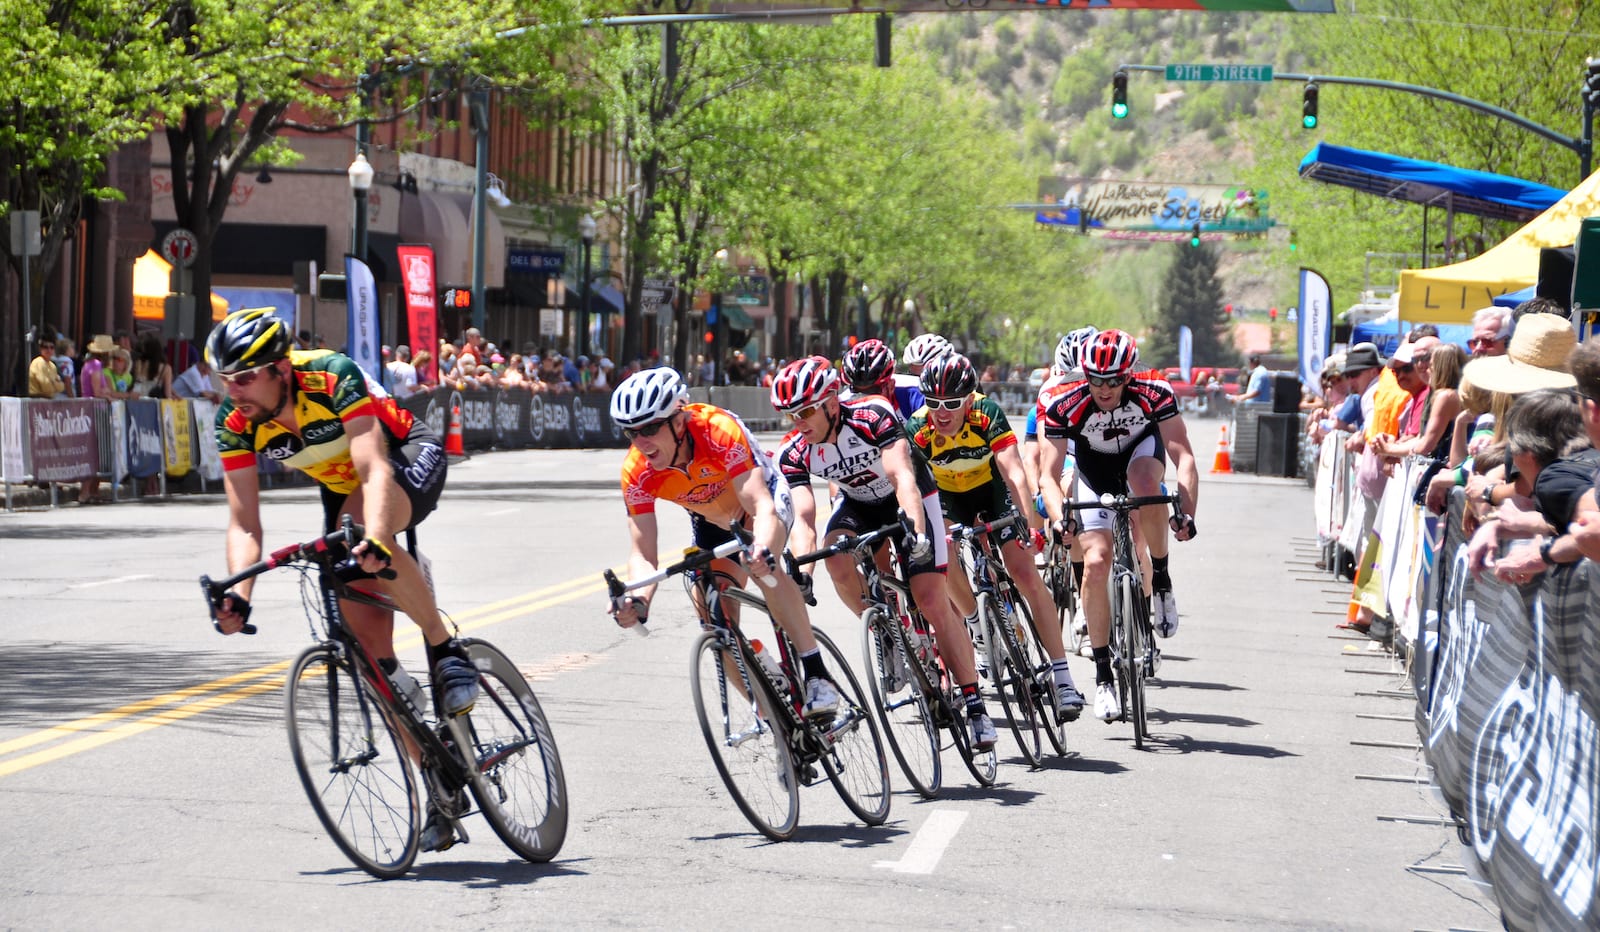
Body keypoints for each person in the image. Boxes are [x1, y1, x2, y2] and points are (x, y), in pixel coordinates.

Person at [201, 308, 470, 851]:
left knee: (371, 540)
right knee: (370, 657)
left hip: (402, 456)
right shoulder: (235, 421)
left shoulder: (330, 374)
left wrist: (374, 536)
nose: (235, 391)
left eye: (246, 377)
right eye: (226, 379)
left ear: (280, 368)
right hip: (343, 490)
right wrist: (238, 594)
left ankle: (447, 651)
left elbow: (372, 467)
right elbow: (244, 522)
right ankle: (437, 774)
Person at [770, 357, 1006, 748]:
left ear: (831, 402)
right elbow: (806, 518)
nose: (800, 422)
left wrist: (916, 530)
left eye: (807, 411)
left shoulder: (871, 414)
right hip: (859, 505)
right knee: (833, 555)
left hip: (911, 499)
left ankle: (974, 702)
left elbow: (901, 475)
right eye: (791, 415)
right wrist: (803, 573)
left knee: (932, 600)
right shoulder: (795, 451)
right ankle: (885, 627)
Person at [605, 367, 843, 722]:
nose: (641, 441)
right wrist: (637, 600)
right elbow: (643, 553)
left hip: (760, 503)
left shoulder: (716, 431)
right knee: (714, 620)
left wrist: (761, 548)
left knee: (764, 568)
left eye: (650, 428)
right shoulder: (637, 471)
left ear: (679, 421)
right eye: (631, 432)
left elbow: (760, 505)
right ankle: (776, 720)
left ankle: (817, 673)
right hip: (713, 523)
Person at [906, 352, 1087, 723]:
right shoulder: (917, 428)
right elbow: (915, 489)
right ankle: (974, 620)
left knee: (1023, 572)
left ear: (969, 399)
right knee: (946, 548)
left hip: (992, 489)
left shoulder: (985, 413)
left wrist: (1028, 526)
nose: (941, 413)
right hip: (947, 497)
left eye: (952, 404)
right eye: (933, 403)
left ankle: (1063, 676)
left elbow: (1015, 473)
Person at [1038, 330, 1199, 723]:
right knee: (1095, 562)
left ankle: (1160, 579)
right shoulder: (1066, 402)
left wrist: (1188, 512)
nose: (1105, 389)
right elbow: (1048, 473)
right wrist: (1060, 519)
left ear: (1129, 375)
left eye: (1113, 380)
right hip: (1094, 469)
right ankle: (1103, 676)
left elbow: (1185, 457)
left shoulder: (1154, 390)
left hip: (1140, 455)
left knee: (1149, 488)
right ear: (1085, 375)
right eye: (1096, 380)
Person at [841, 338, 922, 420]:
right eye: (856, 391)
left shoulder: (915, 394)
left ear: (891, 386)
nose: (864, 398)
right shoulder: (842, 403)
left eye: (872, 392)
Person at [131, 331, 173, 400]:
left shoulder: (138, 364)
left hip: (136, 401)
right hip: (153, 405)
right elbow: (167, 393)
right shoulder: (166, 368)